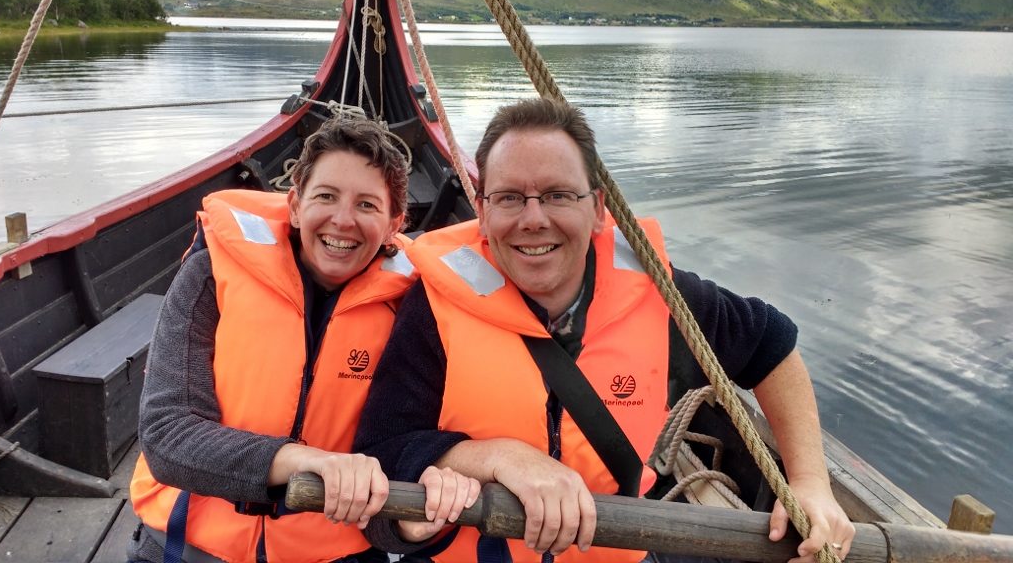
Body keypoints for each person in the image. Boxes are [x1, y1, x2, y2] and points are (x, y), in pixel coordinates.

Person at [354, 98, 856, 563]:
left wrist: (810, 482)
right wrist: (499, 458)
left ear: (597, 209)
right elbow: (383, 453)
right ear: (481, 213)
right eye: (509, 198)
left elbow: (772, 346)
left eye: (557, 195)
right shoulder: (437, 306)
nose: (534, 219)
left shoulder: (663, 296)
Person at [128, 116, 480, 563]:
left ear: (396, 223)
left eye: (368, 206)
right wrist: (306, 463)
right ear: (295, 205)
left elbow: (397, 466)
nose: (343, 220)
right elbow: (167, 437)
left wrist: (409, 528)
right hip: (187, 544)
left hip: (334, 553)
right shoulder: (211, 273)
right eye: (326, 197)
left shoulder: (414, 311)